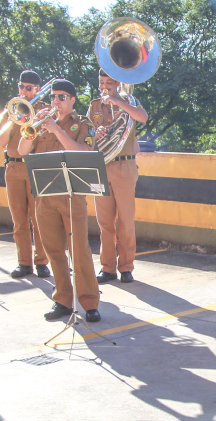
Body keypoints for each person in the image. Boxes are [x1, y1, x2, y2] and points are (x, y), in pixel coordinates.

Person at [17, 79, 101, 323]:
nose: (56, 101)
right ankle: (63, 300)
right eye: (54, 96)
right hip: (45, 195)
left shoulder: (82, 124)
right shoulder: (41, 123)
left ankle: (89, 302)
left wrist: (57, 130)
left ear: (73, 100)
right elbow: (23, 150)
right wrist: (32, 125)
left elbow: (84, 153)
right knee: (54, 250)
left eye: (62, 97)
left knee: (79, 251)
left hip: (72, 195)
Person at [88, 69, 149, 284]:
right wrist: (97, 133)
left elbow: (142, 117)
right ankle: (107, 268)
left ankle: (126, 267)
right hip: (101, 166)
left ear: (117, 84)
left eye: (109, 83)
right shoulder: (94, 106)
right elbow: (88, 135)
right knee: (104, 222)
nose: (105, 86)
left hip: (124, 166)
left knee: (125, 220)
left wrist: (118, 101)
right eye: (102, 82)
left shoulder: (130, 101)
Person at [0, 69, 51, 280]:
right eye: (21, 86)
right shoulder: (10, 109)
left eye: (28, 88)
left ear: (38, 90)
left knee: (39, 218)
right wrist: (13, 118)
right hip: (12, 167)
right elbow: (1, 143)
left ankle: (42, 262)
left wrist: (32, 118)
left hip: (35, 166)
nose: (24, 91)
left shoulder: (44, 110)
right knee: (18, 219)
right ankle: (24, 262)